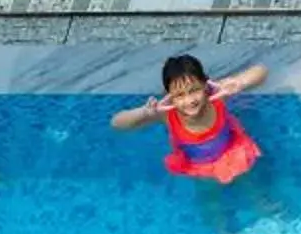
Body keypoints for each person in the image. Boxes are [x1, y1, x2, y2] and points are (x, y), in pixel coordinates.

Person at [112, 55, 268, 183]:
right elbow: (117, 123)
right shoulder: (166, 114)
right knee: (209, 201)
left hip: (231, 149)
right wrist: (144, 113)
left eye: (194, 90)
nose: (189, 100)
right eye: (179, 95)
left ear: (205, 85)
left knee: (252, 186)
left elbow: (262, 71)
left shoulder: (216, 96)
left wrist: (239, 83)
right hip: (198, 164)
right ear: (170, 95)